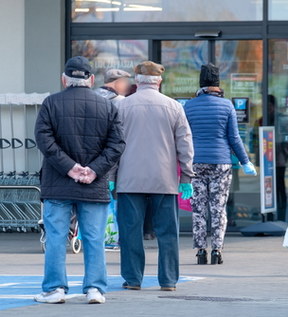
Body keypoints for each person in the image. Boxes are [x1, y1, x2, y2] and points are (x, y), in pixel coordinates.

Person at [34, 56, 126, 304]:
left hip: (57, 183)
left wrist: (70, 168)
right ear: (92, 80)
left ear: (64, 79)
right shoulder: (107, 107)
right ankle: (95, 289)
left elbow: (44, 140)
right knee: (94, 238)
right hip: (93, 185)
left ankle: (54, 290)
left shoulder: (51, 103)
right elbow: (117, 144)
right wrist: (94, 170)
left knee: (55, 237)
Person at [116, 61, 194, 291]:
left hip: (129, 180)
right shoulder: (174, 107)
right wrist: (187, 176)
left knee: (130, 231)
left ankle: (132, 279)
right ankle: (168, 280)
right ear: (159, 81)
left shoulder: (122, 107)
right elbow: (185, 144)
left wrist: (111, 176)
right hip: (164, 180)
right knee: (167, 232)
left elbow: (112, 145)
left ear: (137, 82)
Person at [184, 63, 257, 265]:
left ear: (201, 83)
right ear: (218, 84)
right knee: (218, 208)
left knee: (199, 209)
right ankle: (217, 250)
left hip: (195, 163)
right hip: (221, 164)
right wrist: (245, 161)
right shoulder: (227, 106)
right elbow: (234, 138)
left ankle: (200, 251)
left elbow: (183, 138)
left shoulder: (189, 106)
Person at [95, 68, 131, 249]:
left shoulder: (92, 98)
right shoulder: (121, 103)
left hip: (92, 161)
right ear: (116, 83)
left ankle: (97, 236)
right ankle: (111, 237)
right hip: (114, 162)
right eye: (125, 82)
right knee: (114, 202)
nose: (127, 86)